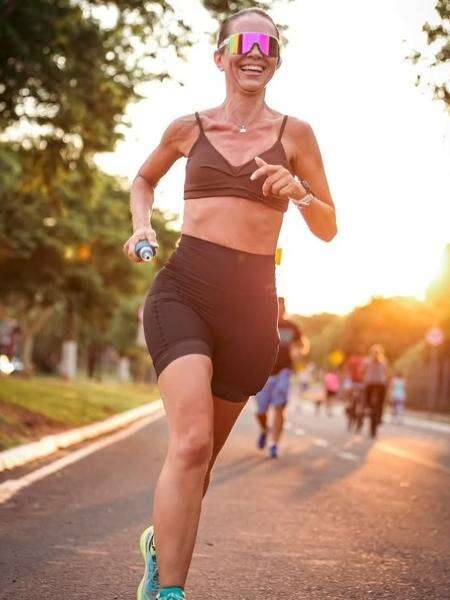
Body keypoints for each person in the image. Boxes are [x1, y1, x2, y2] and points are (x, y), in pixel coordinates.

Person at [122, 8, 336, 600]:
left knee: (201, 466)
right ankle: (168, 592)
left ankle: (159, 544)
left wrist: (301, 194)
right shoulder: (186, 129)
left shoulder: (297, 135)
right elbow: (144, 179)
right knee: (188, 445)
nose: (254, 50)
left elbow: (328, 228)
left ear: (276, 59)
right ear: (220, 55)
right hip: (184, 288)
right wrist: (141, 227)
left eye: (267, 42)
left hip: (251, 308)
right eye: (242, 39)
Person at [254, 296, 303, 458]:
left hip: (284, 371)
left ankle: (274, 444)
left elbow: (302, 344)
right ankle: (264, 430)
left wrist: (299, 351)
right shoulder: (263, 324)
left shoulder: (292, 327)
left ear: (285, 308)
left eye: (282, 307)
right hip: (264, 372)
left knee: (279, 406)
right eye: (276, 306)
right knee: (261, 411)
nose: (279, 310)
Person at [364, 344, 390, 437]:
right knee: (381, 402)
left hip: (370, 383)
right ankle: (380, 416)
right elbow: (386, 373)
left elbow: (363, 371)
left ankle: (367, 408)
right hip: (380, 384)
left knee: (366, 398)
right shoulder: (384, 361)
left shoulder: (367, 361)